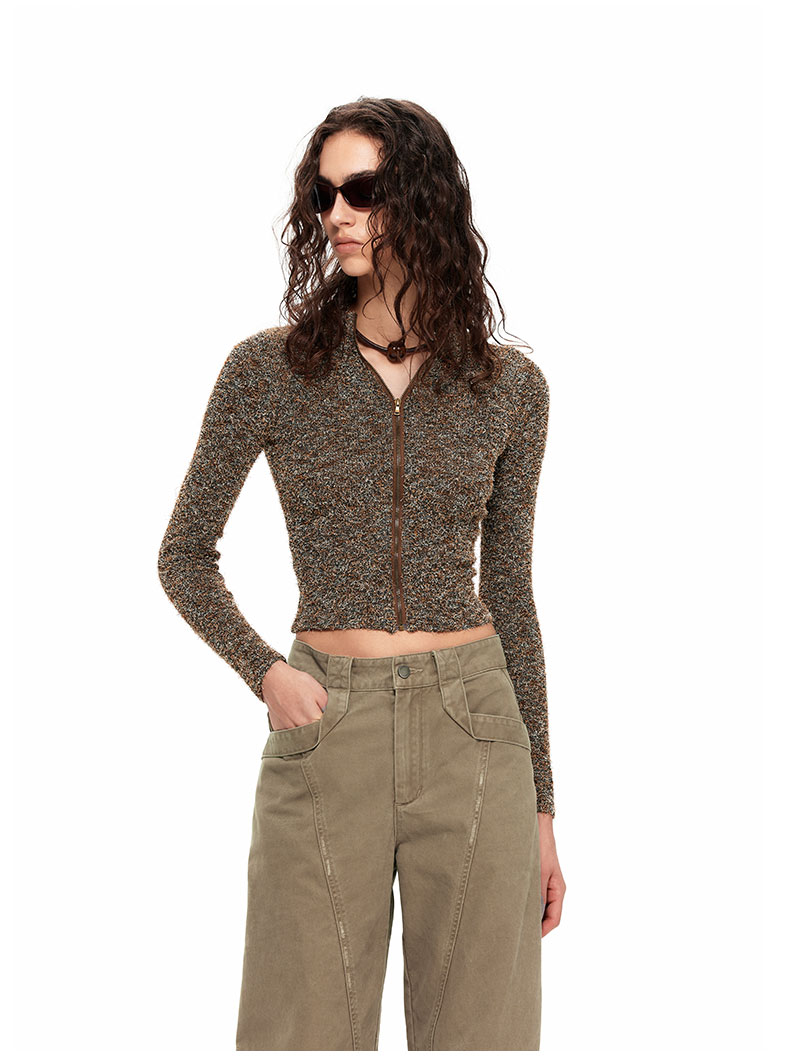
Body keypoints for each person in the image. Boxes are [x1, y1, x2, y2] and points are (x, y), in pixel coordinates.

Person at [158, 97, 566, 1052]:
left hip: (475, 731)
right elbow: (183, 554)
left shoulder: (510, 388)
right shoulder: (268, 370)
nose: (334, 214)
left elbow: (512, 594)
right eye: (322, 195)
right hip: (325, 723)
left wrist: (544, 805)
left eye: (361, 191)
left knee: (484, 1038)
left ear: (423, 200)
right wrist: (266, 671)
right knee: (296, 1032)